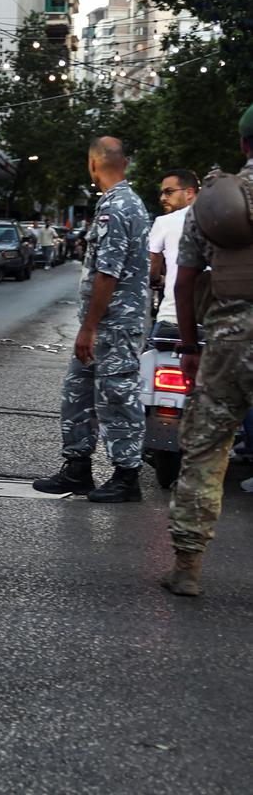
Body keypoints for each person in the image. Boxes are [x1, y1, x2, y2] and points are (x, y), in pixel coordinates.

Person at [33, 136, 151, 501]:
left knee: (116, 395)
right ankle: (77, 468)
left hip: (114, 324)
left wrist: (88, 327)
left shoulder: (116, 207)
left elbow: (108, 273)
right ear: (125, 164)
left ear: (93, 164)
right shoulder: (120, 203)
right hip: (105, 324)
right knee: (78, 391)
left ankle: (126, 476)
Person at [165, 111, 253, 595]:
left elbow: (183, 284)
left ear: (243, 146)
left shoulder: (217, 204)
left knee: (205, 451)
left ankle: (187, 568)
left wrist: (189, 344)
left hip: (226, 345)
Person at [149, 168, 198, 332]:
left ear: (189, 193)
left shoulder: (164, 222)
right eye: (162, 193)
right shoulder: (222, 218)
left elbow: (151, 270)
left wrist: (159, 279)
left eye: (169, 192)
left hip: (173, 317)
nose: (163, 198)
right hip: (215, 320)